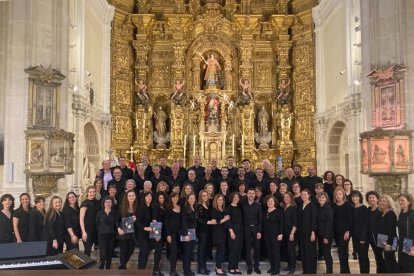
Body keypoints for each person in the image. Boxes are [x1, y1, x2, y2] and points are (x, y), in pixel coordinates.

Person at [242, 188, 263, 274]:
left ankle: (256, 266)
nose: (251, 195)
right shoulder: (242, 205)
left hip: (256, 229)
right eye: (249, 193)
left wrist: (259, 231)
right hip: (246, 228)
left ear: (255, 195)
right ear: (247, 194)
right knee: (247, 248)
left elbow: (260, 220)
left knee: (257, 248)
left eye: (252, 193)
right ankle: (249, 267)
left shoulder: (258, 205)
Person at [332, 187, 352, 273]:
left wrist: (347, 231)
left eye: (340, 194)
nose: (338, 196)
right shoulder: (333, 206)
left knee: (342, 251)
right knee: (341, 252)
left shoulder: (348, 205)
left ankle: (344, 272)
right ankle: (345, 271)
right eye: (336, 194)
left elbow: (350, 219)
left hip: (345, 232)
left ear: (343, 195)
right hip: (336, 232)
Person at [263, 195, 283, 276]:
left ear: (275, 202)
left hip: (275, 235)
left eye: (271, 201)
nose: (270, 202)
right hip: (267, 235)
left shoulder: (278, 211)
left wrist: (280, 234)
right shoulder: (265, 211)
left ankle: (277, 269)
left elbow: (282, 223)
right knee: (270, 252)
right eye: (268, 201)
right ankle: (272, 267)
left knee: (275, 252)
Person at [298, 189, 317, 274]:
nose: (303, 196)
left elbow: (314, 220)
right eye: (302, 194)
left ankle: (311, 271)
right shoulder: (300, 205)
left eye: (305, 194)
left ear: (309, 195)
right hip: (301, 232)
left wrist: (313, 232)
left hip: (309, 233)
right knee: (303, 252)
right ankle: (305, 270)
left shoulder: (312, 206)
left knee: (310, 253)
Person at [197, 190, 216, 275]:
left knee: (205, 250)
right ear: (200, 196)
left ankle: (204, 267)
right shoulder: (199, 206)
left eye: (206, 195)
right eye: (203, 195)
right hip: (202, 231)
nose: (205, 197)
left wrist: (212, 220)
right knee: (201, 250)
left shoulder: (207, 205)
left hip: (208, 230)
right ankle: (200, 268)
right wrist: (209, 222)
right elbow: (199, 219)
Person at [377, 194, 398, 273]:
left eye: (384, 201)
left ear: (389, 203)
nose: (382, 203)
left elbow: (391, 230)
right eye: (381, 201)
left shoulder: (390, 214)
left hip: (389, 241)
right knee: (388, 261)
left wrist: (388, 243)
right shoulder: (383, 213)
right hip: (383, 240)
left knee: (390, 262)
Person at [350, 190, 370, 273]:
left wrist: (363, 237)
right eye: (353, 197)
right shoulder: (351, 207)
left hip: (363, 236)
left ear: (360, 198)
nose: (355, 198)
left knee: (364, 255)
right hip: (355, 236)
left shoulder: (364, 208)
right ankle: (362, 272)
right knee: (359, 255)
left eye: (356, 197)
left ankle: (365, 272)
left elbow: (365, 224)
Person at [117, 190, 137, 269]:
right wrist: (118, 228)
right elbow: (117, 219)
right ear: (127, 197)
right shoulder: (122, 207)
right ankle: (123, 267)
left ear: (135, 197)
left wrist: (136, 219)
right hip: (123, 232)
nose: (131, 197)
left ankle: (123, 265)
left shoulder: (137, 207)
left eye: (133, 195)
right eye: (130, 196)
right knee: (123, 250)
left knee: (131, 249)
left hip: (132, 233)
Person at [96, 196, 117, 269]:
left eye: (109, 202)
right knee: (103, 253)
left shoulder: (115, 213)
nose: (108, 203)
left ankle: (108, 268)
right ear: (103, 203)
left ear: (112, 203)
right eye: (106, 202)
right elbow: (97, 224)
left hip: (111, 235)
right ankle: (101, 267)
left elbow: (116, 224)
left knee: (110, 253)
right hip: (102, 235)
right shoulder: (99, 213)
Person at [211, 194, 229, 275]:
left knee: (220, 251)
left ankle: (217, 267)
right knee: (221, 251)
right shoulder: (214, 210)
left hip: (223, 232)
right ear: (216, 201)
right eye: (219, 200)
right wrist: (225, 219)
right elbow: (215, 223)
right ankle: (218, 269)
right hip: (217, 233)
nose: (220, 201)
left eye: (222, 200)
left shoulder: (223, 209)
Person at [366, 190, 383, 273]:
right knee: (377, 257)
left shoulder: (381, 210)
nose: (371, 199)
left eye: (373, 197)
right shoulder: (368, 210)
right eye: (369, 198)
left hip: (380, 238)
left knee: (381, 258)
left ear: (377, 199)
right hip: (371, 238)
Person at [225, 192, 243, 274]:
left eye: (238, 197)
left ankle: (236, 267)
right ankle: (231, 267)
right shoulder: (228, 208)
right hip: (232, 230)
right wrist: (231, 231)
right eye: (235, 197)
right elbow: (228, 221)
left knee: (238, 249)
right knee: (233, 249)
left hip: (240, 230)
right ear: (232, 198)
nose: (236, 199)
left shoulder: (239, 207)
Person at [80, 186, 100, 256]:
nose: (92, 193)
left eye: (94, 192)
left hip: (96, 229)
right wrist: (83, 232)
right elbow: (81, 218)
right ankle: (85, 266)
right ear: (87, 193)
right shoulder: (85, 203)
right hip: (87, 229)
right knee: (87, 249)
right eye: (90, 192)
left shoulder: (97, 202)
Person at [316, 192, 333, 274]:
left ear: (326, 199)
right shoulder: (319, 207)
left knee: (327, 253)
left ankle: (329, 271)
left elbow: (329, 223)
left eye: (323, 197)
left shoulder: (328, 208)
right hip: (320, 234)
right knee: (324, 253)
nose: (321, 199)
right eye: (320, 197)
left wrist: (326, 236)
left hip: (326, 235)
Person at [397, 193, 414, 272]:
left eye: (402, 200)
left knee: (409, 267)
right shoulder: (401, 214)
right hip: (402, 242)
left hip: (409, 243)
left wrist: (413, 247)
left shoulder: (412, 214)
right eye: (399, 200)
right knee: (402, 266)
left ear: (409, 202)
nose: (400, 202)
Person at [136, 192, 153, 270]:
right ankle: (141, 270)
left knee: (143, 251)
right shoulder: (140, 208)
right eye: (147, 196)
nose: (149, 198)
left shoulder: (152, 207)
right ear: (144, 198)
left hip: (150, 233)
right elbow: (137, 222)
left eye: (150, 196)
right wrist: (145, 228)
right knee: (145, 251)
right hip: (142, 232)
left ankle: (140, 269)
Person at [181, 193, 197, 276]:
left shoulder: (194, 208)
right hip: (187, 233)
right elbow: (183, 223)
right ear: (187, 199)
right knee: (187, 253)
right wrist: (185, 234)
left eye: (193, 198)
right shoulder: (185, 208)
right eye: (190, 198)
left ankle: (188, 269)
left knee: (190, 252)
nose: (192, 200)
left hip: (193, 232)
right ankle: (186, 271)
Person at [165, 192, 181, 276]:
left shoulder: (180, 207)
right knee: (173, 252)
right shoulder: (168, 208)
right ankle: (172, 270)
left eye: (176, 197)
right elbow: (166, 222)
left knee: (176, 252)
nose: (175, 199)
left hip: (179, 234)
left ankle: (174, 269)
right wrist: (168, 235)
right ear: (171, 198)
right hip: (171, 234)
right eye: (173, 197)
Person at [152, 192, 167, 276]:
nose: (162, 199)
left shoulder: (164, 206)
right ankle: (156, 270)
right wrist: (156, 234)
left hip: (164, 230)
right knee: (158, 251)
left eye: (163, 198)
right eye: (160, 198)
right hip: (158, 231)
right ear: (157, 198)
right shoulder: (155, 206)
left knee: (160, 250)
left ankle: (156, 269)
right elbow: (154, 220)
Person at [282, 192, 297, 274]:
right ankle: (289, 265)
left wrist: (292, 233)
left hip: (291, 232)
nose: (286, 198)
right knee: (287, 250)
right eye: (285, 197)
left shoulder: (293, 207)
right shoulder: (284, 207)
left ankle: (292, 268)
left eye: (288, 197)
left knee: (291, 251)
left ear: (291, 198)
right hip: (284, 232)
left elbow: (295, 222)